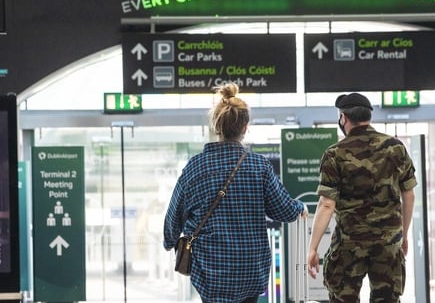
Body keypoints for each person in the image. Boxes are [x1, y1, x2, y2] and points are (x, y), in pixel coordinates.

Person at [163, 83, 307, 303]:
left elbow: (174, 217)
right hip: (251, 270)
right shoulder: (259, 167)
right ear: (245, 127)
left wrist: (169, 241)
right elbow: (284, 210)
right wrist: (300, 208)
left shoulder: (195, 167)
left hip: (211, 271)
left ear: (217, 126)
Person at [307, 92, 417, 302]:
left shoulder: (334, 154)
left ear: (343, 118)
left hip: (349, 244)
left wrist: (313, 248)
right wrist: (403, 235)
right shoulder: (395, 147)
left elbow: (327, 204)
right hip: (387, 243)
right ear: (369, 117)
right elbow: (409, 195)